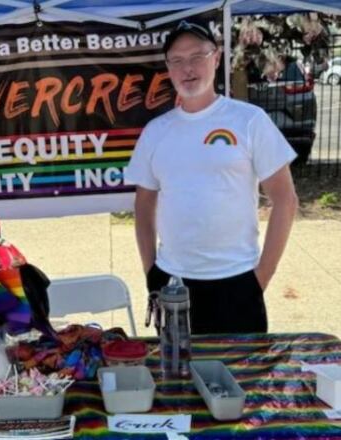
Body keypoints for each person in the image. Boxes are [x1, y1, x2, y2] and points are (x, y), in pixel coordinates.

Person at [125, 21, 299, 334]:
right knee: (176, 378)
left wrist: (262, 277)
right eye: (177, 60)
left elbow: (285, 199)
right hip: (173, 284)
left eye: (197, 57)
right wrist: (151, 271)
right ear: (168, 68)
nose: (187, 68)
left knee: (241, 380)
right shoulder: (156, 132)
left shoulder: (249, 121)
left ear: (216, 59)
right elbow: (143, 205)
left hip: (238, 282)